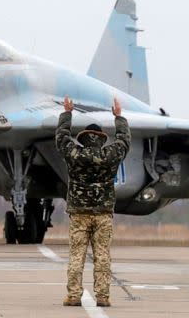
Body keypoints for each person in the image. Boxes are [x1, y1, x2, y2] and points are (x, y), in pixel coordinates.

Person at [55, 95, 131, 308]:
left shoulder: (75, 154)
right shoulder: (110, 154)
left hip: (79, 213)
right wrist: (119, 117)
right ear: (100, 138)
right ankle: (103, 296)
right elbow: (124, 141)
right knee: (103, 256)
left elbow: (61, 138)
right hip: (103, 214)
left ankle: (73, 296)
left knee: (76, 255)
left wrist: (67, 113)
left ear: (85, 137)